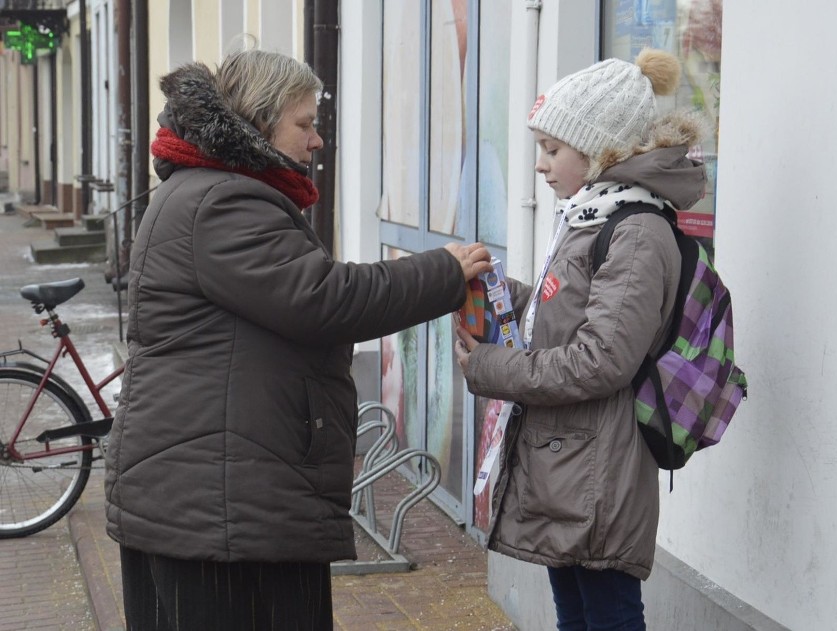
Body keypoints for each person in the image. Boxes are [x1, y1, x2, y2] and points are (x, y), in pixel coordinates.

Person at [104, 48, 491, 631]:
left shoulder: (212, 191)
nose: (316, 142)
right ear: (259, 123)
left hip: (218, 495)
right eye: (304, 125)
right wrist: (444, 271)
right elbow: (324, 299)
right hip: (221, 509)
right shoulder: (222, 201)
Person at [454, 49, 707, 630]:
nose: (541, 166)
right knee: (576, 612)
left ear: (602, 150)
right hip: (568, 461)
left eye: (552, 150)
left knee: (608, 616)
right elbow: (564, 313)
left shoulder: (636, 232)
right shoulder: (591, 217)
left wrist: (491, 367)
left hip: (599, 469)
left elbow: (601, 360)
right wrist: (492, 290)